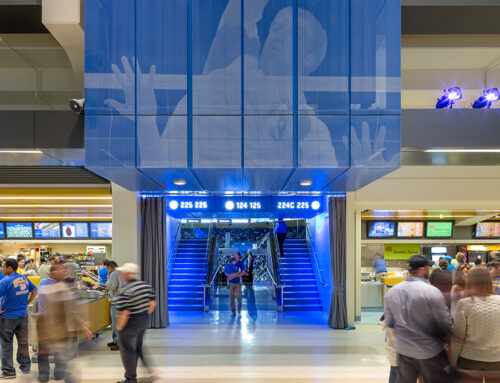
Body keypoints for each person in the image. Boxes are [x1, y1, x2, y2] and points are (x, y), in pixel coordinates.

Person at [384, 254, 453, 383]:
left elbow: (390, 325)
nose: (429, 270)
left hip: (404, 352)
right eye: (428, 267)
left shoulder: (393, 292)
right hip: (429, 352)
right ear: (422, 269)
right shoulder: (431, 292)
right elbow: (444, 322)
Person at [37, 263, 92, 383]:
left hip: (57, 326)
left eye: (64, 271)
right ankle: (46, 375)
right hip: (47, 324)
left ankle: (55, 374)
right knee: (46, 353)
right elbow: (69, 310)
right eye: (62, 270)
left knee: (56, 354)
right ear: (52, 273)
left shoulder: (60, 286)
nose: (65, 272)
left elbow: (71, 310)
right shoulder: (50, 285)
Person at [451, 267, 500, 371]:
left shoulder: (464, 304)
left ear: (469, 282)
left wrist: (453, 363)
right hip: (497, 359)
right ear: (489, 281)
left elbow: (458, 338)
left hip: (470, 359)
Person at [115, 263, 156, 383]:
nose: (122, 275)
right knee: (138, 347)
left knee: (127, 351)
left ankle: (130, 378)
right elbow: (152, 304)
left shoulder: (125, 290)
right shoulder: (145, 286)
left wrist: (120, 328)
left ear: (128, 274)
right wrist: (143, 315)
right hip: (143, 321)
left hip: (129, 324)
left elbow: (124, 312)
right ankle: (149, 369)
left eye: (123, 273)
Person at [0, 258, 38, 378]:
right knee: (23, 342)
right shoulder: (24, 279)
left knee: (6, 344)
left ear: (9, 268)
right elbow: (35, 290)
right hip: (23, 315)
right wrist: (28, 302)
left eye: (3, 266)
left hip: (7, 317)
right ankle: (25, 366)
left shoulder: (5, 281)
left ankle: (8, 371)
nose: (1, 268)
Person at [105, 261, 122, 351]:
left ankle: (119, 343)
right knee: (115, 323)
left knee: (116, 324)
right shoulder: (119, 272)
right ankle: (115, 340)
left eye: (107, 268)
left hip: (116, 302)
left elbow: (113, 286)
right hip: (118, 301)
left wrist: (107, 280)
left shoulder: (114, 273)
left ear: (110, 267)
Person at [380, 315, 399, 383]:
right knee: (395, 374)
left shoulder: (388, 322)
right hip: (395, 354)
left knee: (395, 373)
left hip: (392, 353)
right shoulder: (392, 325)